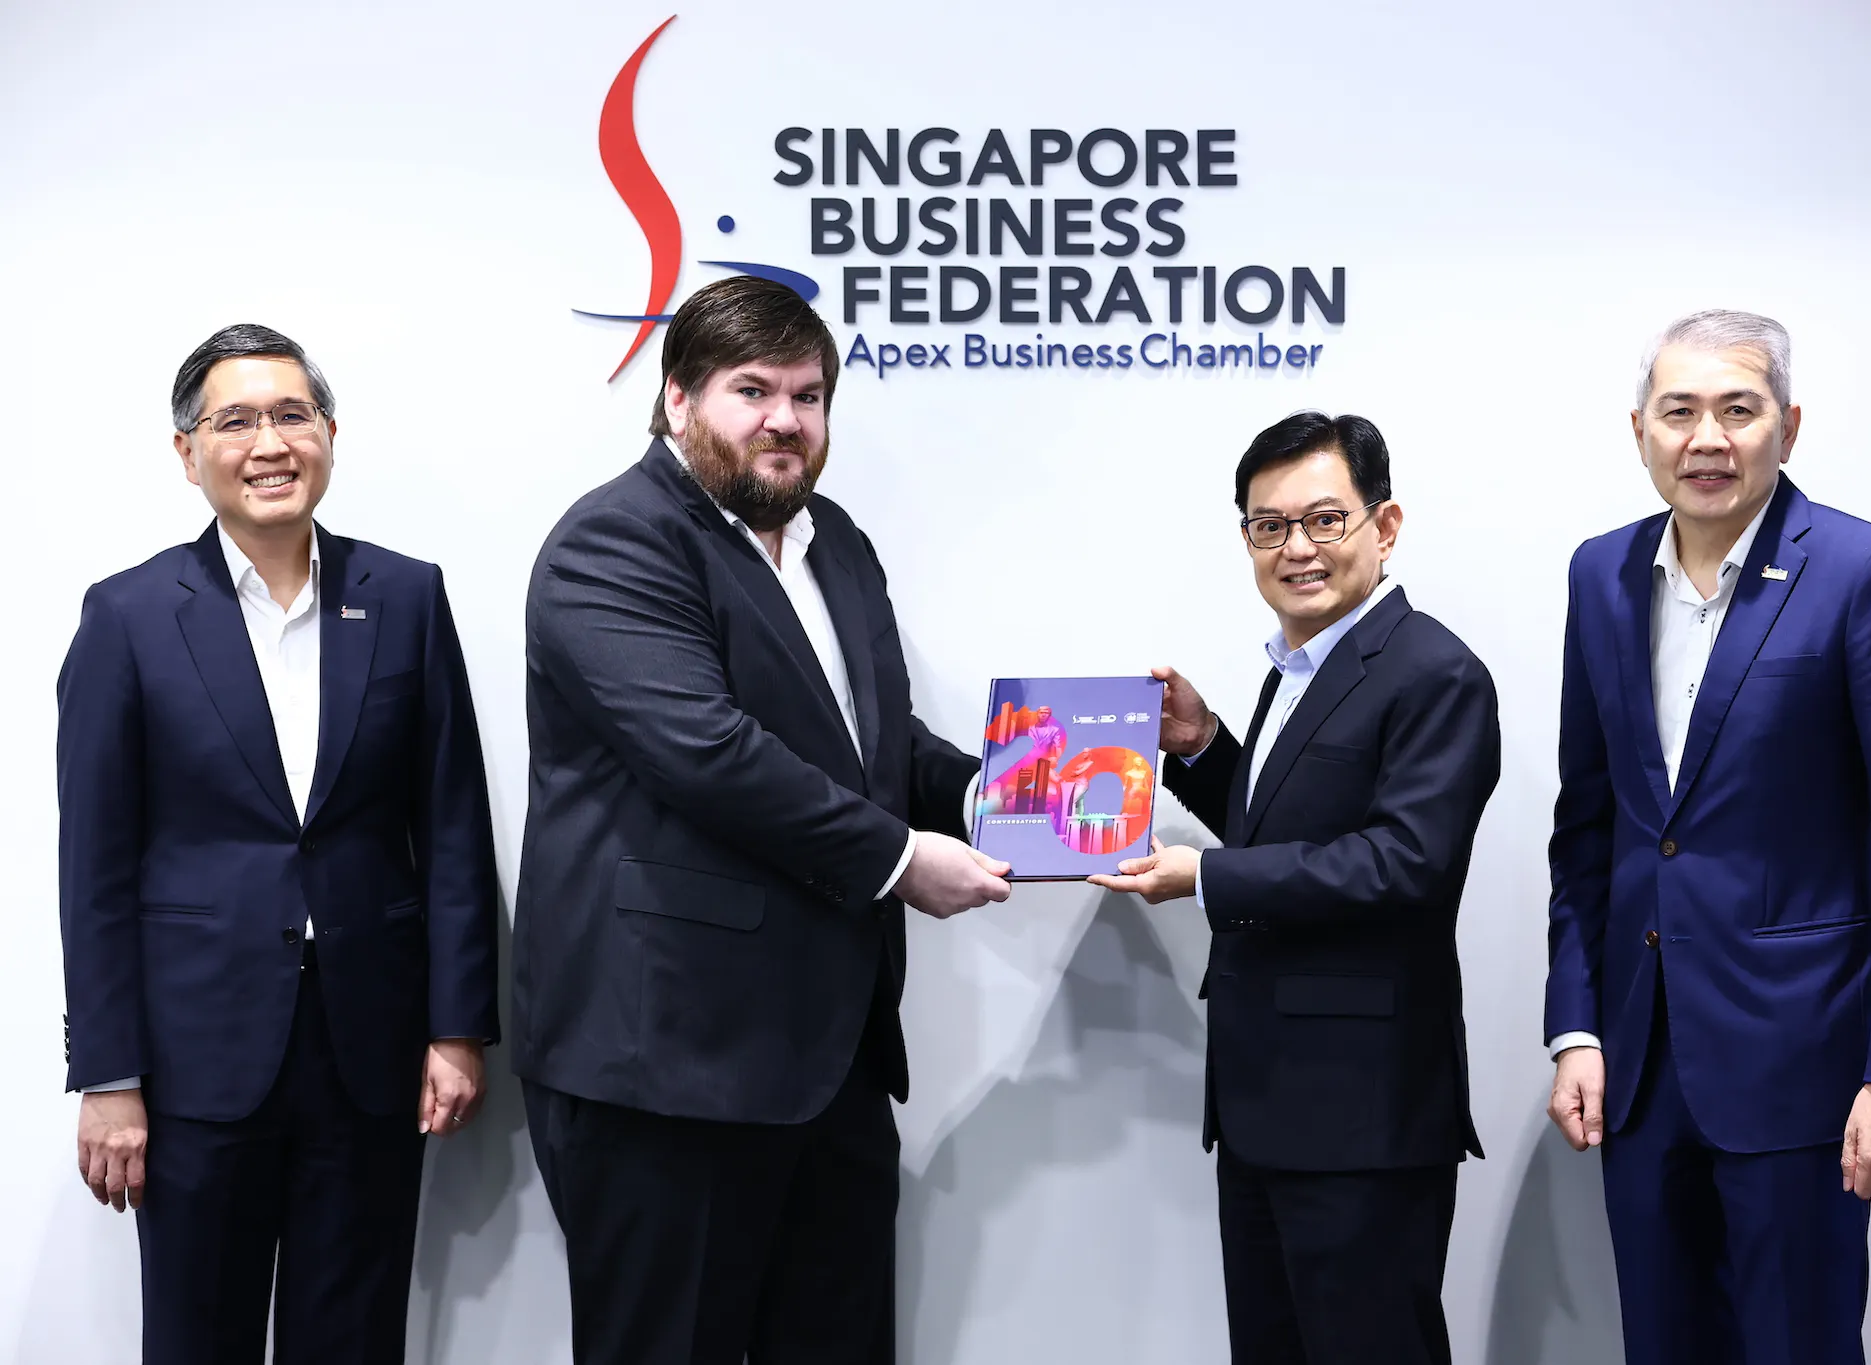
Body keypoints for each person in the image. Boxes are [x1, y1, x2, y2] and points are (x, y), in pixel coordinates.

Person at [513, 274, 1010, 1365]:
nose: (787, 419)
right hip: (667, 1063)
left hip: (828, 1060)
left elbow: (872, 746)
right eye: (753, 390)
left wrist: (1001, 797)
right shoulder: (614, 543)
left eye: (809, 394)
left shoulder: (835, 543)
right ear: (677, 398)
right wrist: (896, 858)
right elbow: (707, 752)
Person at [1542, 309, 1871, 1364]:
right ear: (1637, 429)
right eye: (1678, 411)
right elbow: (1587, 825)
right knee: (1662, 1345)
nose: (1706, 439)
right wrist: (1576, 1025)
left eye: (1736, 410)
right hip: (1639, 1070)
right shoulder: (1597, 576)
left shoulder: (1864, 572)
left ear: (1786, 425)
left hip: (1802, 1068)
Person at [57, 323, 499, 1364]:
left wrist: (458, 1026)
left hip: (372, 1047)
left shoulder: (404, 597)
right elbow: (96, 871)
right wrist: (108, 1074)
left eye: (291, 415)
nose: (269, 443)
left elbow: (450, 824)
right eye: (236, 420)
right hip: (194, 1054)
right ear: (187, 452)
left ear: (330, 436)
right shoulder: (127, 616)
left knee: (352, 1335)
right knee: (196, 1336)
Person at [1092, 411, 1499, 1365]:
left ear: (1385, 526)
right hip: (1268, 1103)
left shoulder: (1435, 671)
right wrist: (1199, 749)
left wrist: (1205, 879)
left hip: (1364, 1114)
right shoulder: (1299, 665)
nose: (1297, 548)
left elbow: (1406, 862)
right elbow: (1291, 821)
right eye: (1268, 526)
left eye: (1325, 519)